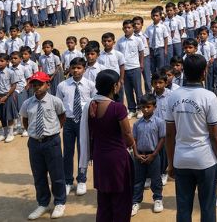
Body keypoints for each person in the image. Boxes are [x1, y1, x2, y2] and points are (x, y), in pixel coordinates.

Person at [165, 54, 217, 222]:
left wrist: (170, 163)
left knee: (183, 208)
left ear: (183, 70)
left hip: (181, 159)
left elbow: (170, 134)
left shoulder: (173, 97)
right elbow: (216, 135)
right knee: (207, 207)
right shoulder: (209, 97)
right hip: (205, 160)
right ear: (204, 72)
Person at [79, 69, 135, 222]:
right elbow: (128, 136)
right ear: (114, 86)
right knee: (121, 200)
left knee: (104, 200)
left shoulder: (91, 105)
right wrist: (133, 146)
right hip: (118, 160)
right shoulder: (118, 108)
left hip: (100, 157)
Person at [21, 71, 67, 220]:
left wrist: (53, 131)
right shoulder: (27, 103)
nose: (37, 87)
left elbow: (62, 116)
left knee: (57, 174)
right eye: (34, 84)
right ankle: (43, 203)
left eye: (40, 84)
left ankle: (60, 201)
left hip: (51, 141)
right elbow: (25, 120)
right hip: (34, 143)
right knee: (39, 175)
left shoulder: (55, 101)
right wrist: (33, 134)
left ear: (48, 84)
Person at [56, 57, 96, 196]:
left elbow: (94, 103)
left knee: (83, 151)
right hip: (68, 122)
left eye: (79, 68)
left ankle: (81, 180)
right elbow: (59, 105)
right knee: (67, 152)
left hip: (84, 122)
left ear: (84, 69)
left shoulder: (90, 85)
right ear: (70, 69)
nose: (76, 70)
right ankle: (68, 181)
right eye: (73, 68)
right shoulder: (62, 85)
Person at [131, 94, 166, 216]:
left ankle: (157, 199)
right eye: (143, 107)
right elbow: (133, 140)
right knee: (138, 180)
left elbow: (162, 138)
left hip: (153, 156)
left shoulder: (159, 122)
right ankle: (135, 202)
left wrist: (154, 154)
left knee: (156, 179)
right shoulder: (137, 124)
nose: (145, 109)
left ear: (154, 107)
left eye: (148, 106)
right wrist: (135, 154)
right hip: (139, 156)